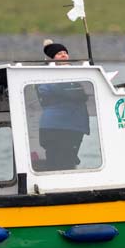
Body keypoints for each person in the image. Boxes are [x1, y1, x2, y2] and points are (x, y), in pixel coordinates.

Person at [36, 40, 91, 170]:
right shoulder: (46, 76)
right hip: (59, 127)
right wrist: (79, 92)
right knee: (60, 163)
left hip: (72, 127)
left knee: (65, 162)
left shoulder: (74, 74)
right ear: (51, 59)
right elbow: (61, 91)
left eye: (65, 53)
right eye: (59, 53)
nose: (64, 55)